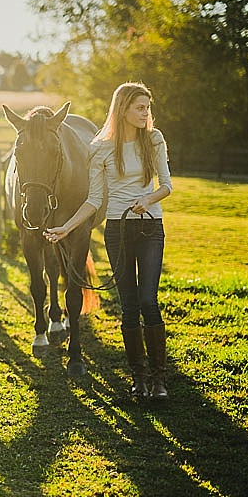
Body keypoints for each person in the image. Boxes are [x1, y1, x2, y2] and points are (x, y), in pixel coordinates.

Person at [44, 82, 173, 399]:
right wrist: (66, 228)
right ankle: (139, 380)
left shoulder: (154, 140)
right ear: (123, 109)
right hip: (117, 230)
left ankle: (159, 380)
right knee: (129, 306)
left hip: (150, 227)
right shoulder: (100, 148)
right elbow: (93, 200)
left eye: (147, 107)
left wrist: (148, 198)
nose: (145, 113)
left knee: (147, 301)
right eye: (139, 107)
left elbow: (167, 186)